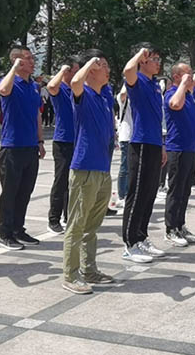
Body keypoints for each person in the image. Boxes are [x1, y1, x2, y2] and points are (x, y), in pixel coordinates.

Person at [61, 50, 117, 294]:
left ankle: (89, 270)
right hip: (85, 167)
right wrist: (90, 62)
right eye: (102, 65)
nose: (107, 69)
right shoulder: (83, 94)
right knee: (76, 224)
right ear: (91, 70)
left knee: (92, 225)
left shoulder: (104, 96)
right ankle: (70, 275)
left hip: (103, 168)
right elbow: (75, 81)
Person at [120, 45, 168, 263]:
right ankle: (130, 243)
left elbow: (158, 118)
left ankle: (141, 237)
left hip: (154, 143)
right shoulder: (137, 81)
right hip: (140, 143)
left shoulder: (155, 85)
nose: (158, 63)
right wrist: (140, 53)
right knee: (137, 194)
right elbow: (127, 70)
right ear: (143, 62)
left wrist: (162, 145)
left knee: (149, 194)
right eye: (154, 59)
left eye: (158, 59)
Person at [0, 46, 45, 250]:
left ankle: (18, 229)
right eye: (28, 58)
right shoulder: (9, 82)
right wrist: (14, 68)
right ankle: (4, 233)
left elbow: (37, 115)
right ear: (17, 61)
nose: (33, 62)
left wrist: (40, 141)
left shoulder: (33, 86)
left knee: (25, 192)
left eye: (33, 58)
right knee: (10, 193)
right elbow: (2, 91)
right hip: (12, 146)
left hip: (30, 146)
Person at [162, 63, 195, 247]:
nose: (191, 76)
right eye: (187, 73)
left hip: (189, 149)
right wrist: (183, 84)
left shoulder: (189, 96)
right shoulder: (172, 93)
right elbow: (175, 105)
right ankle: (170, 229)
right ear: (177, 76)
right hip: (177, 149)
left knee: (185, 190)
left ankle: (180, 225)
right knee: (176, 190)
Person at [46, 56, 82, 234]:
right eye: (74, 70)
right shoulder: (60, 90)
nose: (77, 74)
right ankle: (53, 219)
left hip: (77, 140)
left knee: (74, 181)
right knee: (61, 181)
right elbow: (51, 86)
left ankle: (69, 216)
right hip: (62, 141)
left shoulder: (77, 90)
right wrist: (62, 70)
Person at [115, 83, 132, 208]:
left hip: (136, 136)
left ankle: (129, 193)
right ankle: (122, 195)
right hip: (126, 136)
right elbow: (122, 94)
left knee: (132, 168)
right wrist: (128, 80)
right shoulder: (123, 98)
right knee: (125, 167)